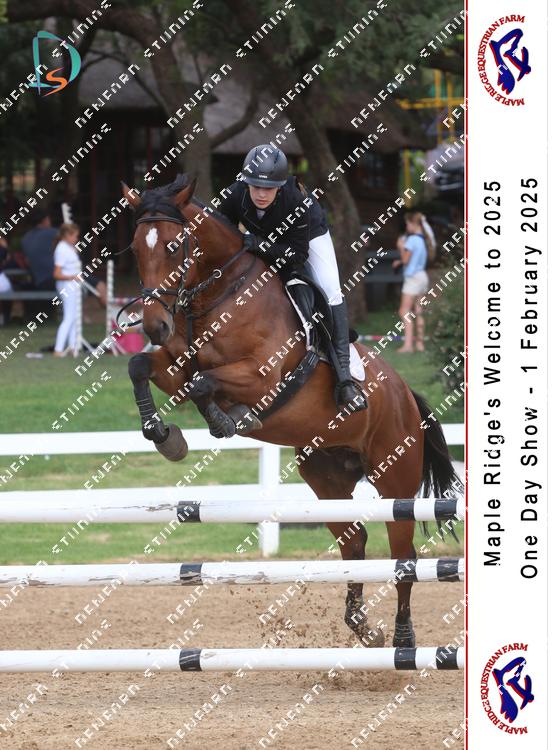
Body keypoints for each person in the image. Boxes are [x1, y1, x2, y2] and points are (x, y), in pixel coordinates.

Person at [219, 144, 366, 412]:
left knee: (331, 288)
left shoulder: (297, 202)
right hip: (264, 240)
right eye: (256, 187)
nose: (261, 194)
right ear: (246, 182)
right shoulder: (235, 194)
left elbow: (297, 255)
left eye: (269, 188)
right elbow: (222, 232)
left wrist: (259, 245)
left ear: (280, 186)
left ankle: (345, 379)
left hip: (308, 238)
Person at [393, 212, 435, 353]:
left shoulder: (411, 240)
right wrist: (400, 261)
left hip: (412, 278)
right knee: (419, 311)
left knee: (404, 311)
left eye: (407, 224)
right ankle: (420, 344)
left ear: (413, 224)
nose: (406, 227)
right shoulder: (423, 240)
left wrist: (401, 247)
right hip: (422, 276)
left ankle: (408, 345)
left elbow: (406, 260)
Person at [53, 223, 82, 356]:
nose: (76, 238)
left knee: (74, 316)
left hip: (73, 285)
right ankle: (58, 349)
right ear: (67, 235)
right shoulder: (61, 249)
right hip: (67, 285)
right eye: (75, 236)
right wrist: (72, 277)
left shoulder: (69, 247)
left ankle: (72, 346)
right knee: (69, 316)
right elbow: (56, 274)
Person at [21, 210, 57, 290]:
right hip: (57, 279)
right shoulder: (53, 233)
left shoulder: (25, 238)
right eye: (49, 219)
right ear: (45, 220)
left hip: (39, 282)